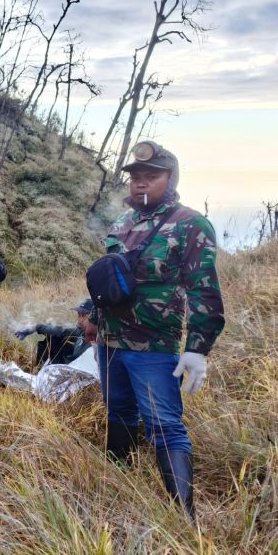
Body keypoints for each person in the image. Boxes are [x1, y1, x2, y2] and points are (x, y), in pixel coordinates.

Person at [96, 140, 225, 519]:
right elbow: (110, 277)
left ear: (170, 179)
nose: (141, 183)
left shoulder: (190, 225)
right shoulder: (122, 223)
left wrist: (198, 348)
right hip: (110, 341)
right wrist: (91, 314)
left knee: (165, 425)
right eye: (136, 177)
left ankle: (184, 517)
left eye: (151, 176)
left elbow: (204, 289)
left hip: (154, 345)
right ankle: (118, 487)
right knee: (118, 413)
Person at [15, 298, 97, 367]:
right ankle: (41, 369)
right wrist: (34, 327)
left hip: (79, 375)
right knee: (53, 338)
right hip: (67, 368)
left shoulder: (100, 338)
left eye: (83, 316)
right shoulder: (80, 332)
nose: (79, 320)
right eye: (79, 315)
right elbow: (60, 330)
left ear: (94, 317)